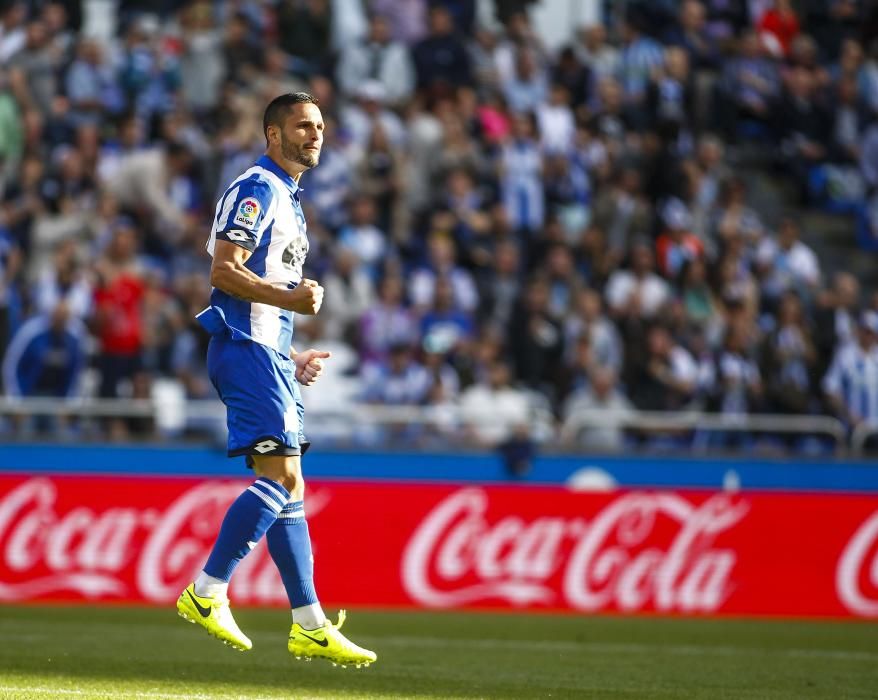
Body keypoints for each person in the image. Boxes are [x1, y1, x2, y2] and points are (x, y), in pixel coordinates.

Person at [176, 93, 376, 667]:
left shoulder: (286, 195)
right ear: (273, 133)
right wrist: (290, 301)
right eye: (302, 126)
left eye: (320, 126)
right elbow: (224, 272)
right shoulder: (258, 188)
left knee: (292, 485)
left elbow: (253, 292)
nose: (314, 135)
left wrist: (290, 354)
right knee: (283, 477)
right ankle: (207, 590)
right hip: (247, 352)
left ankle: (309, 623)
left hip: (266, 352)